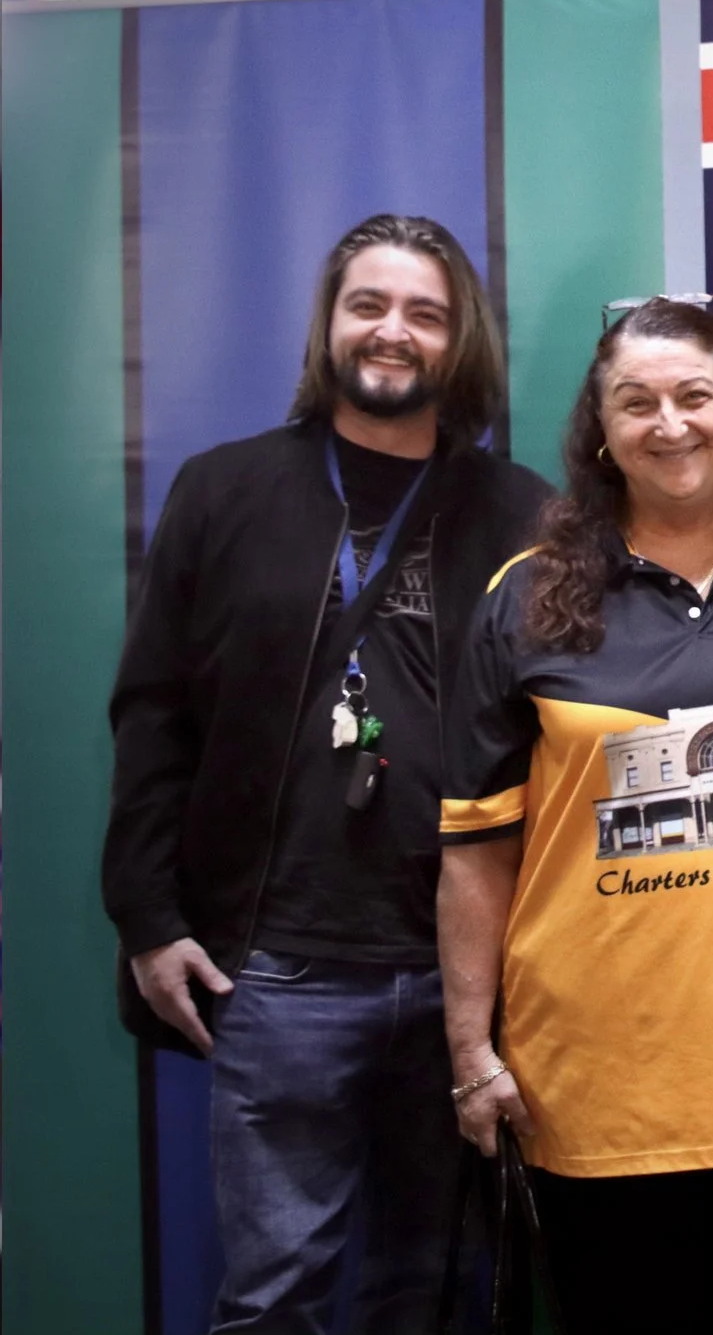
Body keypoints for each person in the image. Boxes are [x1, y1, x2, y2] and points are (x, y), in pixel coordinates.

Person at [101, 213, 549, 1332]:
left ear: (461, 343)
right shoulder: (224, 489)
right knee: (274, 1297)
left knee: (437, 1293)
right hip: (278, 974)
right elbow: (151, 712)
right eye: (369, 304)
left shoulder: (521, 511)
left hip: (469, 981)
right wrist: (150, 918)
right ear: (331, 324)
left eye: (425, 312)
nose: (393, 331)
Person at [437, 297, 713, 1335]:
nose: (669, 422)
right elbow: (474, 848)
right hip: (600, 1086)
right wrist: (472, 1051)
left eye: (695, 394)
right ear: (600, 428)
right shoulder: (528, 595)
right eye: (635, 401)